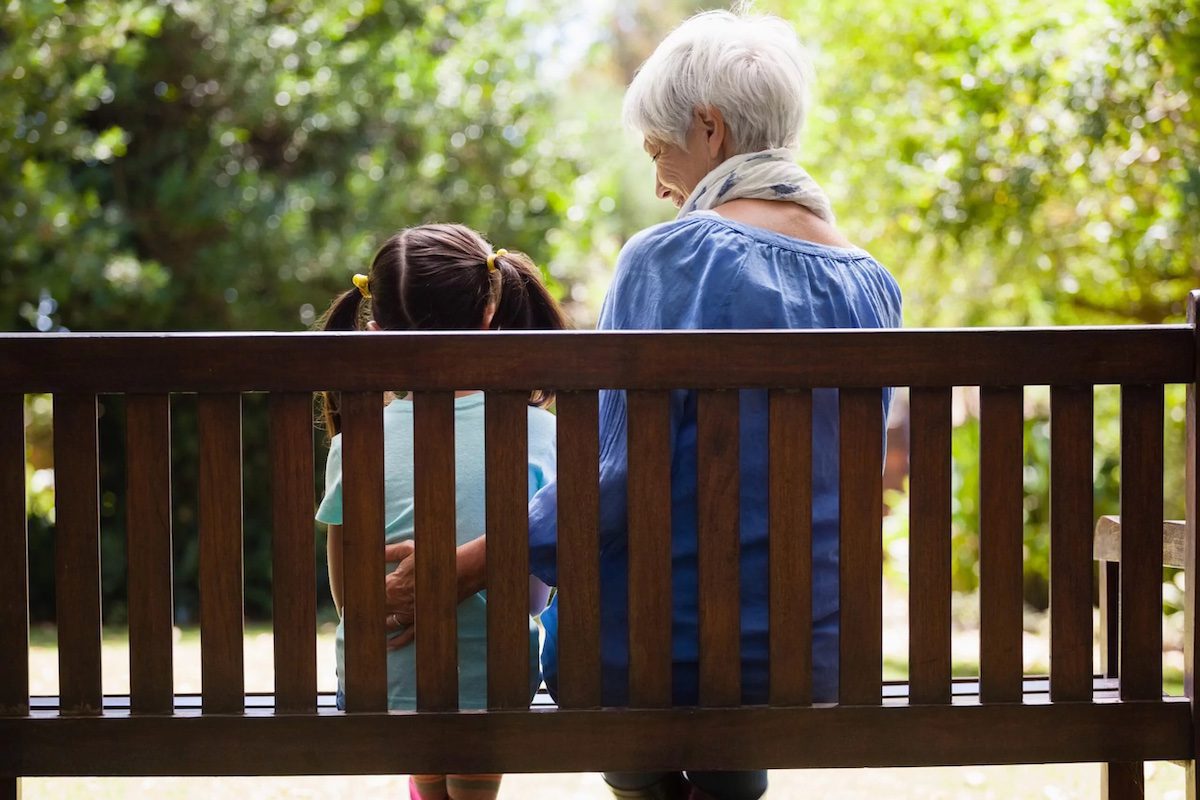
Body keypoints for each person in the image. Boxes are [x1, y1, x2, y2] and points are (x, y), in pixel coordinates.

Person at [384, 10, 903, 800]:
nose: (661, 184)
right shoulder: (873, 284)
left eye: (661, 154)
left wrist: (469, 564)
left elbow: (613, 479)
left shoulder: (670, 257)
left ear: (710, 129)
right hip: (818, 648)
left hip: (664, 651)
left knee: (641, 640)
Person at [315, 223, 568, 800]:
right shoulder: (539, 434)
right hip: (494, 681)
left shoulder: (354, 441)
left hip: (381, 682)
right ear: (491, 312)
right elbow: (536, 592)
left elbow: (348, 595)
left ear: (375, 330)